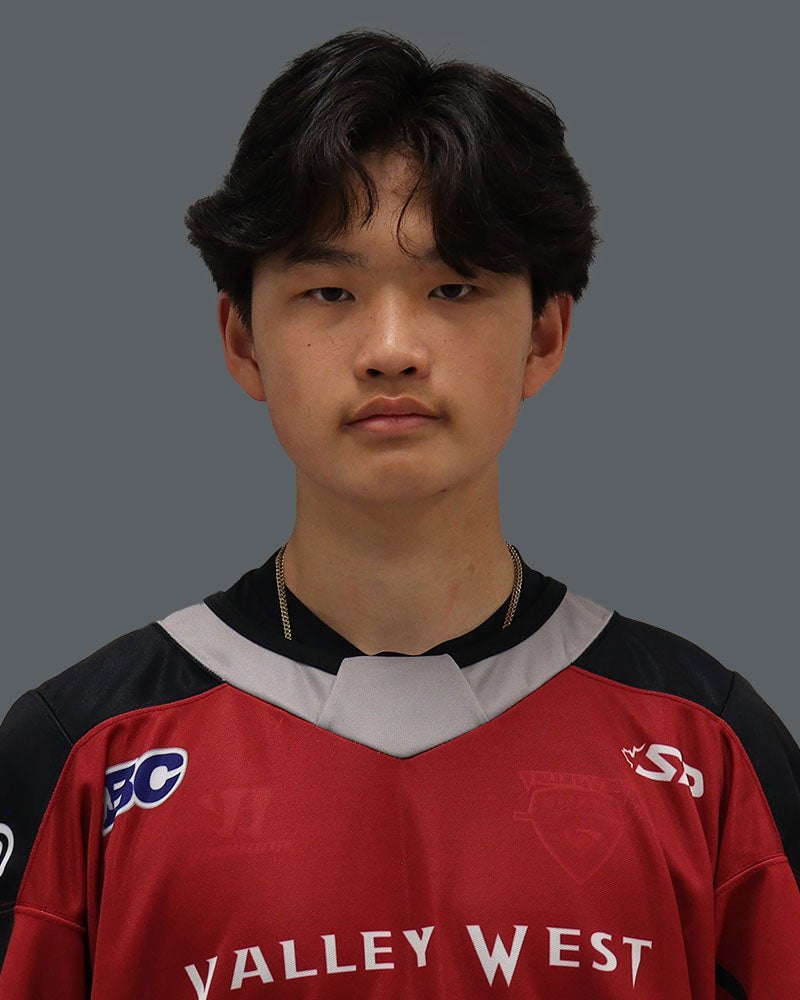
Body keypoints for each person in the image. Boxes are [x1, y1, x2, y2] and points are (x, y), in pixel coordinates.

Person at [1, 27, 798, 999]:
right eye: (328, 290)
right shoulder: (84, 750)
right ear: (242, 341)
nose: (390, 348)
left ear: (543, 336)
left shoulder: (708, 744)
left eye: (452, 286)